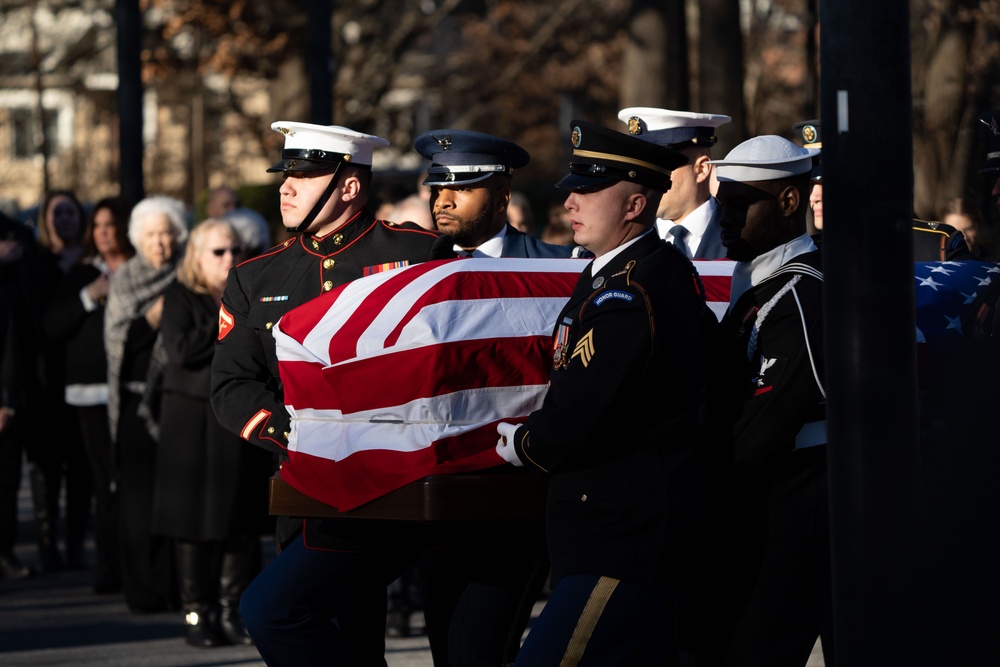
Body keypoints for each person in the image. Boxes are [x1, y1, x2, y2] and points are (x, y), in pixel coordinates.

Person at [210, 121, 439, 666]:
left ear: (350, 186)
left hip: (404, 483)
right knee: (320, 633)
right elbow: (232, 385)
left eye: (305, 177)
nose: (286, 188)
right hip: (309, 487)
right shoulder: (256, 278)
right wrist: (297, 434)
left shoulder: (417, 252)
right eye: (286, 176)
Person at [494, 119, 712, 665]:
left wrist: (525, 444)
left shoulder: (633, 291)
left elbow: (582, 411)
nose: (570, 198)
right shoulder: (614, 276)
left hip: (624, 539)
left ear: (635, 204)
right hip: (605, 529)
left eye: (589, 188)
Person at [412, 128, 578, 665]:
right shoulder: (410, 273)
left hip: (518, 493)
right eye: (437, 186)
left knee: (480, 650)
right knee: (447, 649)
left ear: (504, 195)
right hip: (438, 497)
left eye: (463, 186)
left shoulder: (559, 268)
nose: (443, 199)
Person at [704, 135, 832, 667]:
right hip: (765, 512)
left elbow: (765, 424)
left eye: (739, 204)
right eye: (722, 205)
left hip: (794, 518)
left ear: (788, 202)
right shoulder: (759, 287)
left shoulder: (803, 292)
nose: (725, 219)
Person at [150, 218, 275, 647]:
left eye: (236, 251)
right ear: (196, 257)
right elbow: (180, 350)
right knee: (193, 522)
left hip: (232, 419)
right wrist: (228, 325)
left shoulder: (248, 294)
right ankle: (196, 612)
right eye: (219, 252)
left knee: (236, 520)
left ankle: (229, 610)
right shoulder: (180, 295)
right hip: (189, 422)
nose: (231, 259)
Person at [43, 196, 135, 592]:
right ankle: (107, 569)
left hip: (133, 388)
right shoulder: (81, 274)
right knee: (103, 483)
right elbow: (53, 326)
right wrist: (88, 295)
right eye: (97, 226)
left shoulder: (139, 269)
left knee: (132, 480)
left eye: (110, 224)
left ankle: (136, 567)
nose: (104, 232)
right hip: (90, 393)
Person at [105, 194, 188, 613]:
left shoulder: (186, 276)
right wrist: (151, 317)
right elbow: (120, 342)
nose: (161, 242)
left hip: (174, 402)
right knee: (136, 506)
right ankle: (141, 589)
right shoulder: (125, 280)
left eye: (167, 233)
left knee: (172, 500)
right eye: (152, 234)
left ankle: (174, 587)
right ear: (138, 239)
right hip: (135, 404)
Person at [31, 190, 90, 572]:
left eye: (71, 212)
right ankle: (46, 542)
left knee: (81, 468)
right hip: (44, 381)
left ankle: (75, 544)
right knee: (46, 467)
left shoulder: (90, 264)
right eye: (58, 212)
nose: (65, 219)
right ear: (45, 220)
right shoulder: (34, 264)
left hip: (83, 379)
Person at [414, 128, 582, 260]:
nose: (442, 202)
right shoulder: (414, 266)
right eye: (435, 190)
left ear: (501, 199)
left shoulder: (556, 265)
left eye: (462, 189)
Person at [0, 210, 52, 580]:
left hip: (11, 383)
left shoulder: (16, 236)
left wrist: (6, 396)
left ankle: (4, 550)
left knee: (5, 476)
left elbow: (14, 333)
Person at [618, 107, 732, 259]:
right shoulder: (625, 241)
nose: (646, 179)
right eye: (642, 168)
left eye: (661, 166)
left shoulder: (740, 237)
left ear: (702, 169)